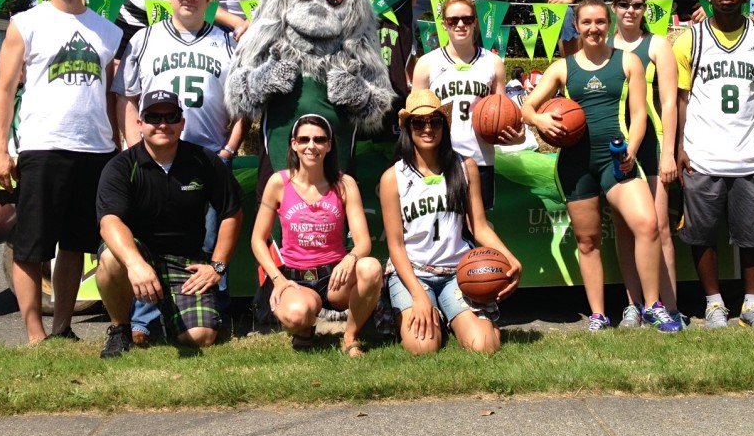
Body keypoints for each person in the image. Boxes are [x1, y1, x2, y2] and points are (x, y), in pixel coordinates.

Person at [522, 0, 681, 333]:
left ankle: (653, 306)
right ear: (577, 27)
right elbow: (525, 105)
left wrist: (631, 150)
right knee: (587, 240)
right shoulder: (563, 67)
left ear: (608, 25)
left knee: (647, 224)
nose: (593, 29)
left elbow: (639, 115)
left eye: (599, 22)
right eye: (586, 23)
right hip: (575, 165)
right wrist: (539, 119)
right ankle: (598, 315)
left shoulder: (626, 62)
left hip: (617, 159)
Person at [0, 0, 122, 343]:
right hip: (42, 145)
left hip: (94, 149)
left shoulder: (109, 31)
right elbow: (5, 90)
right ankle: (35, 335)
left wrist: (118, 143)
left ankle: (63, 327)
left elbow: (112, 95)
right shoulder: (25, 22)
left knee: (75, 246)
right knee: (32, 245)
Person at [112, 0, 247, 344]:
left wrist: (230, 147)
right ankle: (144, 322)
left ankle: (208, 315)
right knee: (153, 237)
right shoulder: (144, 38)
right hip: (153, 153)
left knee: (205, 240)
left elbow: (244, 104)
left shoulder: (227, 42)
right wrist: (132, 146)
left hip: (207, 153)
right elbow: (129, 97)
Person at [674, 0, 754, 328]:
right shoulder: (691, 39)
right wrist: (679, 147)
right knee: (701, 234)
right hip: (703, 155)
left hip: (750, 153)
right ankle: (714, 303)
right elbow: (681, 98)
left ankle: (753, 304)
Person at [95, 90, 243, 358]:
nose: (162, 124)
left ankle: (166, 319)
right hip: (140, 257)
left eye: (171, 116)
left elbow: (232, 213)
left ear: (182, 123)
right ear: (140, 124)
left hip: (184, 262)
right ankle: (120, 329)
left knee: (201, 337)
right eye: (153, 117)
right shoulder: (121, 166)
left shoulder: (204, 160)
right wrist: (136, 264)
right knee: (109, 259)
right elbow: (109, 222)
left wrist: (217, 267)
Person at [379, 90, 522, 354]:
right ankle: (438, 314)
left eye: (435, 121)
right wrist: (419, 295)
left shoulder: (465, 167)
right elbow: (396, 247)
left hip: (458, 272)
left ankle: (460, 316)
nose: (428, 128)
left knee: (485, 346)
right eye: (419, 122)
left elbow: (479, 226)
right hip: (414, 273)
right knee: (423, 347)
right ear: (407, 127)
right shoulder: (393, 178)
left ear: (444, 125)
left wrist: (510, 257)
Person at [251, 114, 382, 356]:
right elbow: (258, 240)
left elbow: (363, 242)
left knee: (371, 267)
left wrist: (350, 259)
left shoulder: (345, 184)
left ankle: (350, 337)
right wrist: (277, 279)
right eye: (304, 140)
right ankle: (305, 327)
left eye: (319, 140)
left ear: (329, 145)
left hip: (335, 277)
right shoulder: (278, 183)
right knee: (296, 315)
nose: (312, 146)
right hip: (295, 278)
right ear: (293, 144)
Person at [610, 0, 682, 328]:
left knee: (659, 227)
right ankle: (633, 304)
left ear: (645, 10)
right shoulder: (603, 45)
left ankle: (669, 305)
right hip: (616, 146)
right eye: (624, 5)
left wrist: (668, 152)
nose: (630, 11)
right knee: (625, 228)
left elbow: (669, 102)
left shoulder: (657, 45)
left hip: (651, 145)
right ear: (614, 8)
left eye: (637, 5)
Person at [411, 0, 524, 209]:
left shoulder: (493, 62)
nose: (460, 24)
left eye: (467, 19)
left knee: (478, 230)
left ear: (475, 22)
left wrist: (514, 137)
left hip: (480, 158)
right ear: (444, 24)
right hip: (438, 160)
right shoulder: (426, 63)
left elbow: (503, 113)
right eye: (453, 20)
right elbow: (413, 119)